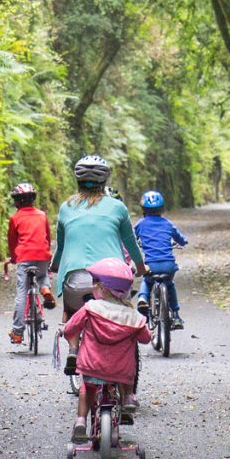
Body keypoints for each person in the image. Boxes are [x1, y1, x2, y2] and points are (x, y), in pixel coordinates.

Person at [49, 155, 146, 382]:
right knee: (122, 314)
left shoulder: (65, 208)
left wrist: (54, 266)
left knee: (72, 311)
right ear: (105, 180)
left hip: (75, 279)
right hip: (110, 280)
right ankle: (125, 378)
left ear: (78, 180)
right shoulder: (118, 207)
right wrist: (140, 267)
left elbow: (61, 247)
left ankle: (73, 350)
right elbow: (130, 244)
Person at [62, 258, 151, 439]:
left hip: (91, 365)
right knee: (125, 373)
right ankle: (128, 397)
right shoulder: (133, 317)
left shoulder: (90, 308)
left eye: (95, 282)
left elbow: (70, 328)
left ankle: (80, 421)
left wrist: (68, 337)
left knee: (86, 389)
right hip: (120, 370)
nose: (93, 286)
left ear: (102, 288)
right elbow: (145, 339)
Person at [7, 182, 55, 345]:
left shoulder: (15, 218)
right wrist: (46, 254)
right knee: (42, 276)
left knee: (22, 292)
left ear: (17, 201)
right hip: (42, 255)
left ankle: (18, 333)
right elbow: (47, 238)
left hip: (24, 257)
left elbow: (12, 242)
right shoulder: (42, 215)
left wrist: (14, 258)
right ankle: (45, 289)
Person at [134, 190, 188, 329]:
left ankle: (143, 298)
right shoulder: (167, 223)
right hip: (168, 265)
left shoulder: (140, 224)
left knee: (147, 280)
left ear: (143, 209)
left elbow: (132, 238)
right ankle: (175, 315)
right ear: (162, 208)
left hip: (151, 265)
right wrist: (183, 242)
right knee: (169, 284)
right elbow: (180, 239)